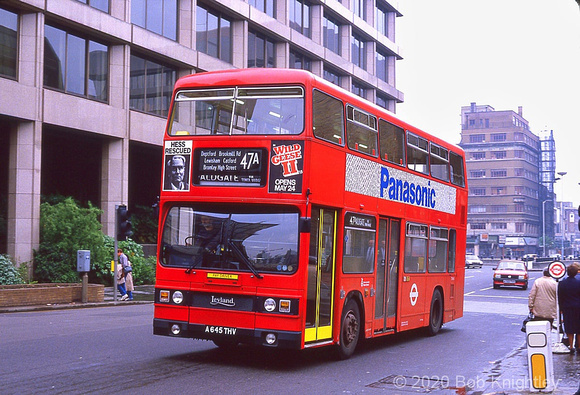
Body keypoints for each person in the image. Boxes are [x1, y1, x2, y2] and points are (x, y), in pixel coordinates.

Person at [557, 263, 580, 353]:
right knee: (579, 328)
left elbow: (560, 297)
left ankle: (571, 346)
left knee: (569, 327)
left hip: (567, 308)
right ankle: (579, 347)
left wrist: (561, 309)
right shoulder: (579, 283)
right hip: (578, 307)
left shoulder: (562, 283)